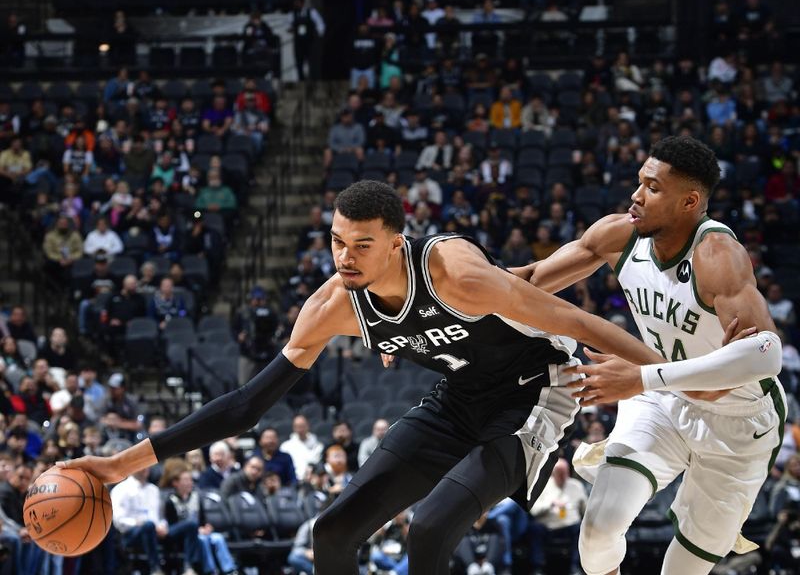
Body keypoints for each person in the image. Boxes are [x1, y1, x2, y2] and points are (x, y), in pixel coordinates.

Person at [67, 180, 663, 573]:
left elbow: (575, 319)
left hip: (532, 393)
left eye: (361, 244)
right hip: (458, 399)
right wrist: (119, 465)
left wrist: (671, 375)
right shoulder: (334, 307)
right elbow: (247, 405)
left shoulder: (454, 272)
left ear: (396, 243)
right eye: (336, 242)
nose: (344, 257)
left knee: (427, 530)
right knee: (331, 532)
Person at [513, 135, 785, 575]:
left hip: (737, 422)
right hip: (660, 400)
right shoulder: (618, 234)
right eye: (640, 182)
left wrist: (643, 378)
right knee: (599, 531)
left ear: (689, 201)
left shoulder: (717, 256)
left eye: (653, 188)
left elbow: (765, 356)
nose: (635, 196)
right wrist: (421, 303)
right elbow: (524, 281)